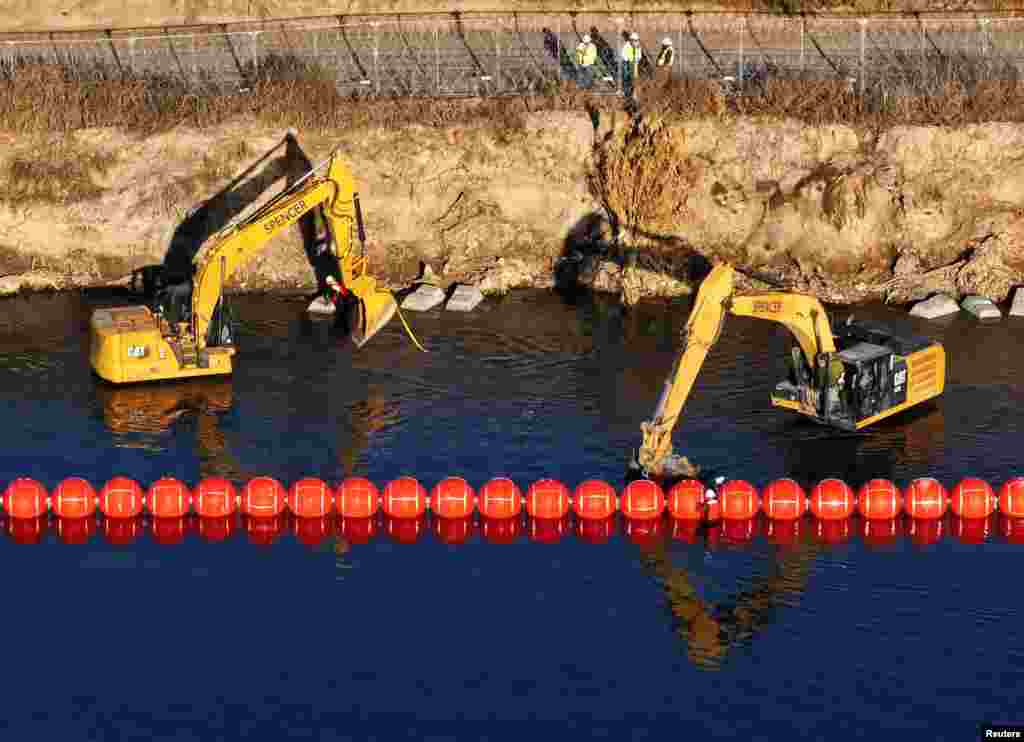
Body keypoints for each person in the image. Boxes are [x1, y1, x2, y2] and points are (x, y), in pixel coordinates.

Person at [621, 31, 642, 101]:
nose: (635, 42)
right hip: (626, 62)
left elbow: (639, 56)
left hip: (634, 62)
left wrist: (635, 62)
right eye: (633, 41)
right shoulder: (626, 46)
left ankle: (634, 93)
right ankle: (625, 91)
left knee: (635, 78)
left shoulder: (638, 46)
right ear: (631, 40)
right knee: (626, 76)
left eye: (636, 41)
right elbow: (624, 56)